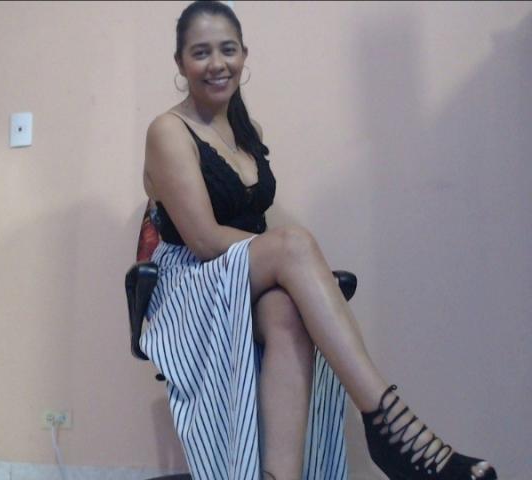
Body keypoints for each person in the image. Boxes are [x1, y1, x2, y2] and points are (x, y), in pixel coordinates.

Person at [139, 2, 497, 479]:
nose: (217, 63)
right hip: (187, 289)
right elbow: (203, 240)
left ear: (244, 54)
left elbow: (250, 233)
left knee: (287, 310)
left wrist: (294, 273)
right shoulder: (168, 130)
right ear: (180, 63)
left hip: (237, 277)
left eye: (228, 49)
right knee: (294, 244)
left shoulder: (247, 132)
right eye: (201, 52)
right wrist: (292, 260)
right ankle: (393, 429)